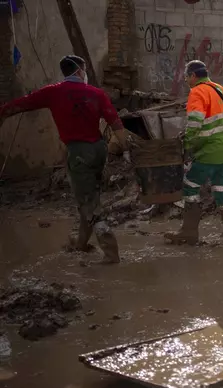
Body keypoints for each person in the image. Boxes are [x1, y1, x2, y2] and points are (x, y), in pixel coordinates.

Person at [0, 55, 130, 264]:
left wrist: (3, 113)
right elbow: (115, 122)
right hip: (99, 150)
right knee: (90, 196)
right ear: (80, 70)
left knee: (89, 203)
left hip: (79, 153)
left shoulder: (52, 92)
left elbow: (21, 104)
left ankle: (110, 251)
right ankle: (81, 242)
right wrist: (127, 149)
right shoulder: (96, 93)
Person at [165, 60, 223, 244]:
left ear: (193, 75)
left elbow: (194, 123)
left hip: (208, 152)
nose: (185, 80)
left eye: (186, 77)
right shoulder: (220, 89)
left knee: (190, 187)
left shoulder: (197, 92)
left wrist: (188, 145)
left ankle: (189, 232)